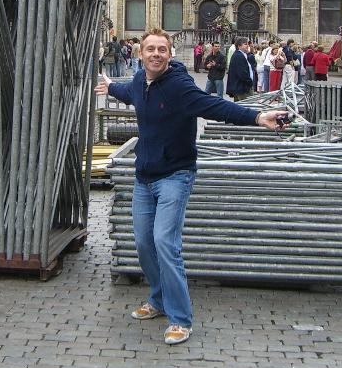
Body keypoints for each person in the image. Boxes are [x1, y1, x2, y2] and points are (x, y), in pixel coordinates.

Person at [94, 28, 288, 346]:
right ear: (141, 54)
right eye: (150, 49)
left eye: (162, 49)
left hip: (175, 175)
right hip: (145, 177)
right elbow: (129, 92)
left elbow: (215, 107)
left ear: (170, 54)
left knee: (165, 242)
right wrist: (111, 86)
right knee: (143, 243)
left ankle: (180, 318)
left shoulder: (180, 86)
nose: (156, 54)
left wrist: (257, 117)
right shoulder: (140, 82)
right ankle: (158, 299)